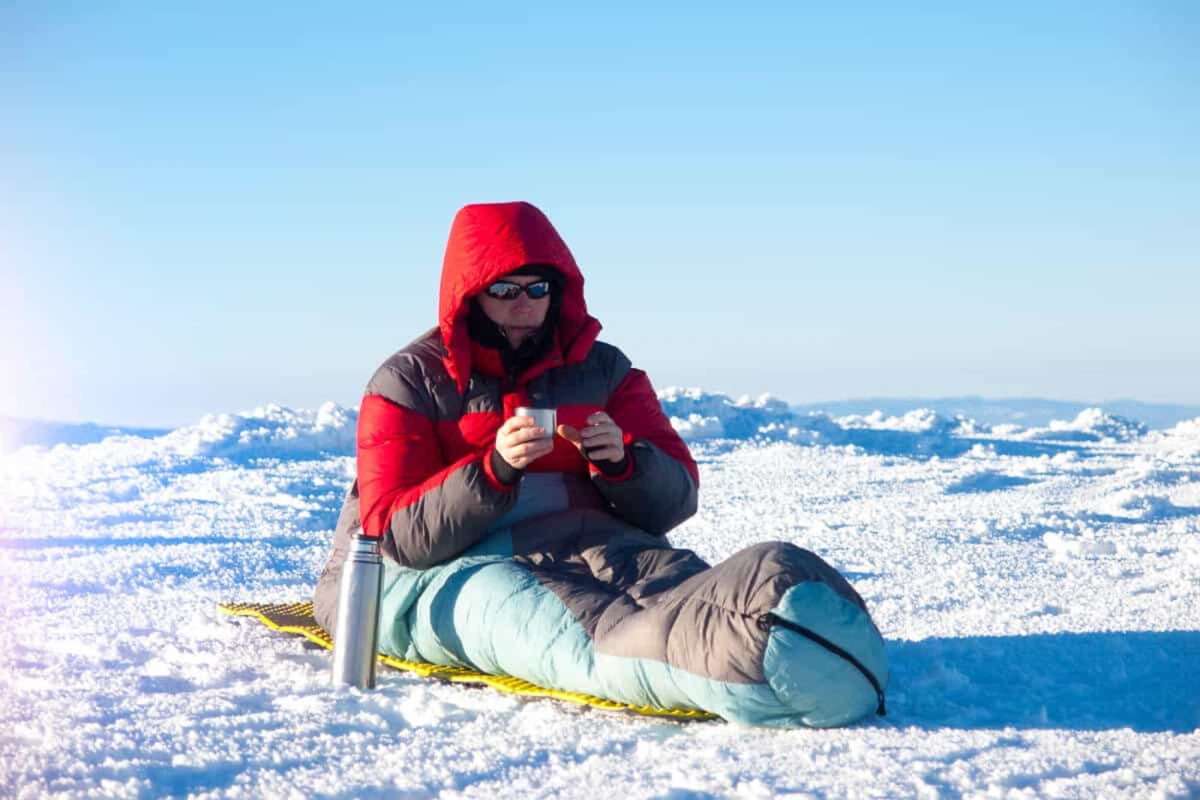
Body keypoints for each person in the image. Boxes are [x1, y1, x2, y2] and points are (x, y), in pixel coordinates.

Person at [314, 201, 887, 727]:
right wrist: (492, 470)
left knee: (709, 590)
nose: (523, 305)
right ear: (469, 295)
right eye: (504, 289)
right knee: (583, 640)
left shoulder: (604, 370)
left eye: (537, 288)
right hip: (444, 566)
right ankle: (752, 662)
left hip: (594, 541)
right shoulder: (408, 382)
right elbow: (391, 535)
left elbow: (677, 496)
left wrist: (623, 464)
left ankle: (777, 625)